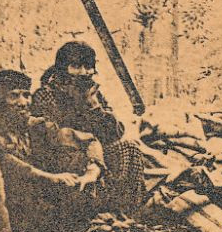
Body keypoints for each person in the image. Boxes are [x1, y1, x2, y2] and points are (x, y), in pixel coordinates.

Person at [0, 69, 104, 232]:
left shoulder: (34, 124)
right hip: (7, 201)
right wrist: (51, 177)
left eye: (26, 95)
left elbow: (89, 140)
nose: (23, 102)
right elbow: (7, 162)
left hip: (36, 192)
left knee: (76, 163)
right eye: (14, 96)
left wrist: (92, 171)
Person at [32, 41, 151, 213]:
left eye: (88, 66)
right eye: (75, 66)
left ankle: (125, 210)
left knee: (130, 148)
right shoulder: (45, 94)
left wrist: (93, 105)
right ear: (62, 68)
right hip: (63, 154)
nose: (82, 72)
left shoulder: (93, 93)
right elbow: (51, 135)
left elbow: (115, 133)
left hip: (96, 151)